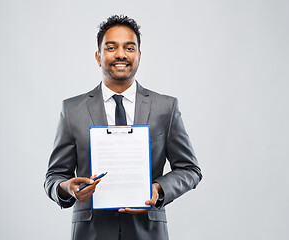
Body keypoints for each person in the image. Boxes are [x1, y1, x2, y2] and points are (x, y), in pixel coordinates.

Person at [44, 15, 202, 240]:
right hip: (91, 233)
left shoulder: (165, 107)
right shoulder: (72, 109)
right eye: (111, 47)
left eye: (129, 47)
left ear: (139, 56)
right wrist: (68, 187)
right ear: (99, 57)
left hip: (148, 232)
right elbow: (54, 176)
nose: (120, 54)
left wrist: (159, 189)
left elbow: (190, 170)